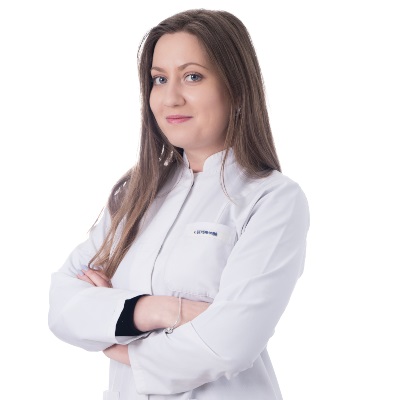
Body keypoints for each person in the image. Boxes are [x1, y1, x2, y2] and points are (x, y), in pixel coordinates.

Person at [48, 8, 310, 400]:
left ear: (237, 89)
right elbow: (62, 308)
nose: (170, 98)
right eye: (159, 79)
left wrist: (116, 336)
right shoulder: (135, 195)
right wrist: (162, 310)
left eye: (192, 76)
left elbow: (229, 344)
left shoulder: (272, 200)